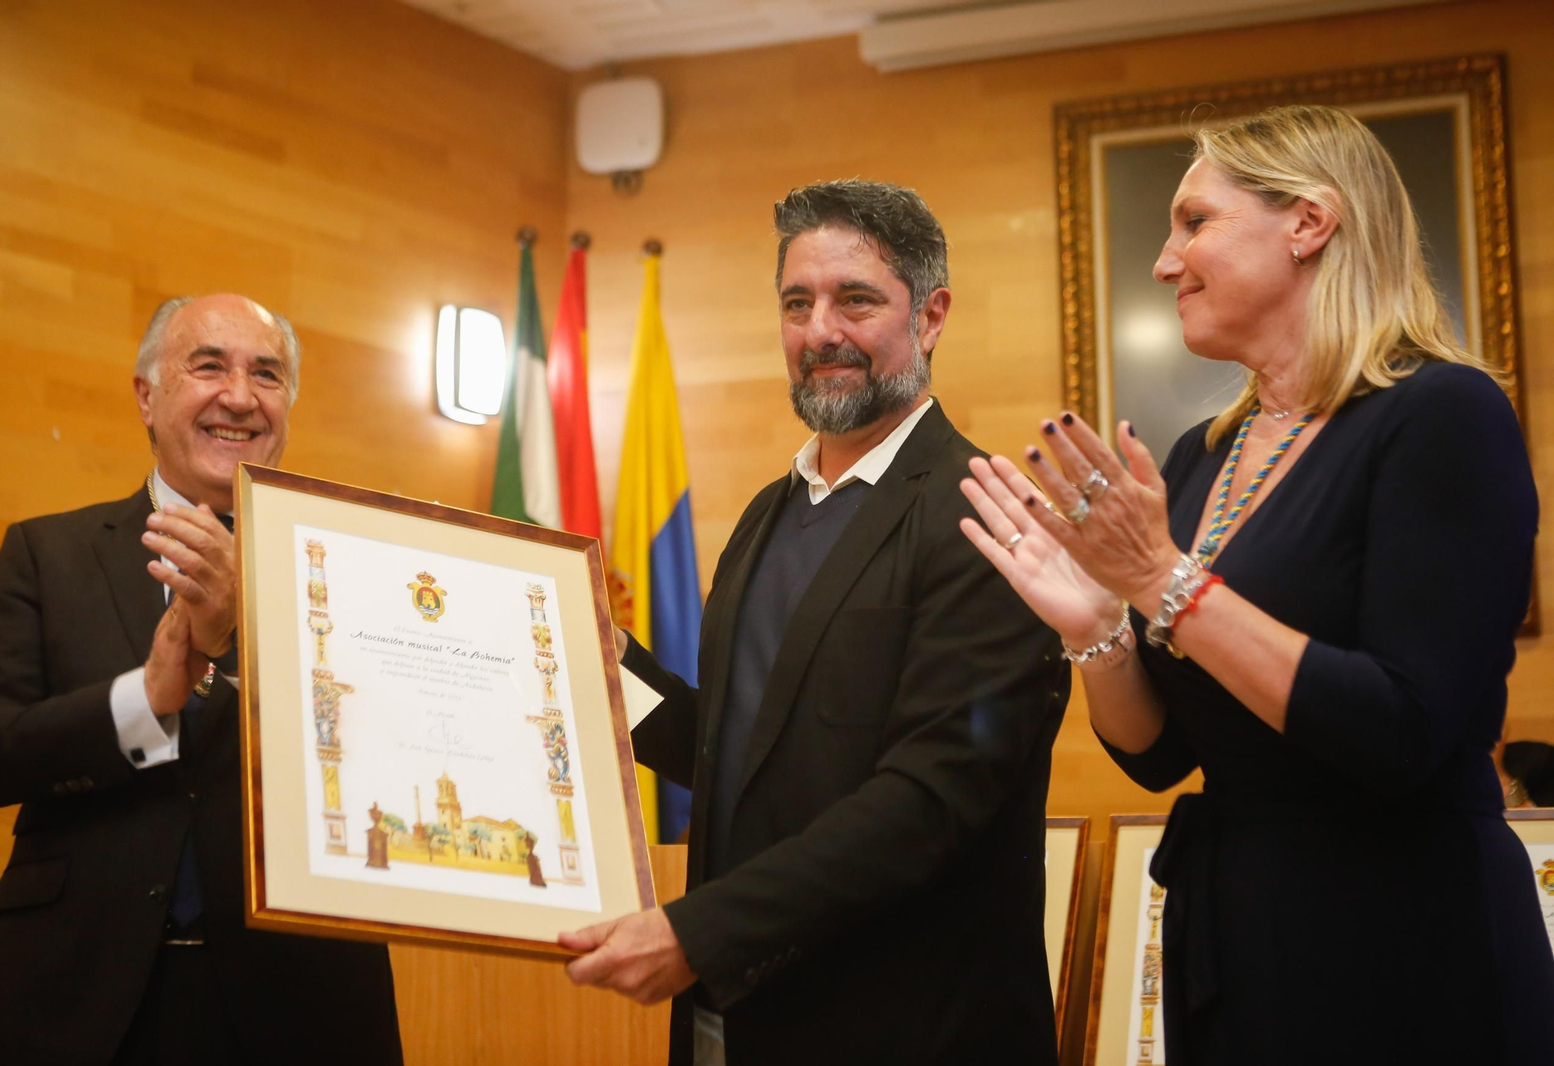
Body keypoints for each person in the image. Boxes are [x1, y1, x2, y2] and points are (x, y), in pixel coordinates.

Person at [960, 105, 1554, 1063]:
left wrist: (1165, 580)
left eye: (1195, 222)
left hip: (1402, 940)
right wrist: (1097, 630)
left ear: (1309, 223)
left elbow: (1399, 731)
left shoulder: (1443, 413)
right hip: (1238, 936)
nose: (1166, 262)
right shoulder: (1206, 455)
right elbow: (1161, 755)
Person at [560, 180, 1069, 1065]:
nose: (819, 331)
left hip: (908, 1030)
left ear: (931, 316)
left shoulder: (985, 515)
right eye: (797, 304)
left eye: (855, 300)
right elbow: (740, 754)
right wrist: (592, 658)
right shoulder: (767, 513)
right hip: (733, 1023)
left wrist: (699, 933)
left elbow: (930, 800)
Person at [0, 295, 404, 1065]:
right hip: (72, 994)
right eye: (209, 366)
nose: (240, 396)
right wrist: (145, 700)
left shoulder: (357, 572)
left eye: (267, 374)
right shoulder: (47, 554)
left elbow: (395, 755)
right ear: (147, 395)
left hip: (305, 1000)